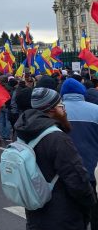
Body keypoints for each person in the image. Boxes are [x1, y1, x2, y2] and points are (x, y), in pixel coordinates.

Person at [15, 87, 95, 230]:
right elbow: (77, 179)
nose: (64, 110)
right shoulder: (57, 138)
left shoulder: (24, 131)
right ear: (51, 109)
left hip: (36, 211)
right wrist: (90, 203)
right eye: (60, 106)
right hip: (64, 216)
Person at [60, 78, 98, 229]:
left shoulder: (56, 112)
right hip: (92, 171)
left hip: (66, 173)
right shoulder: (96, 110)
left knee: (72, 216)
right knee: (95, 213)